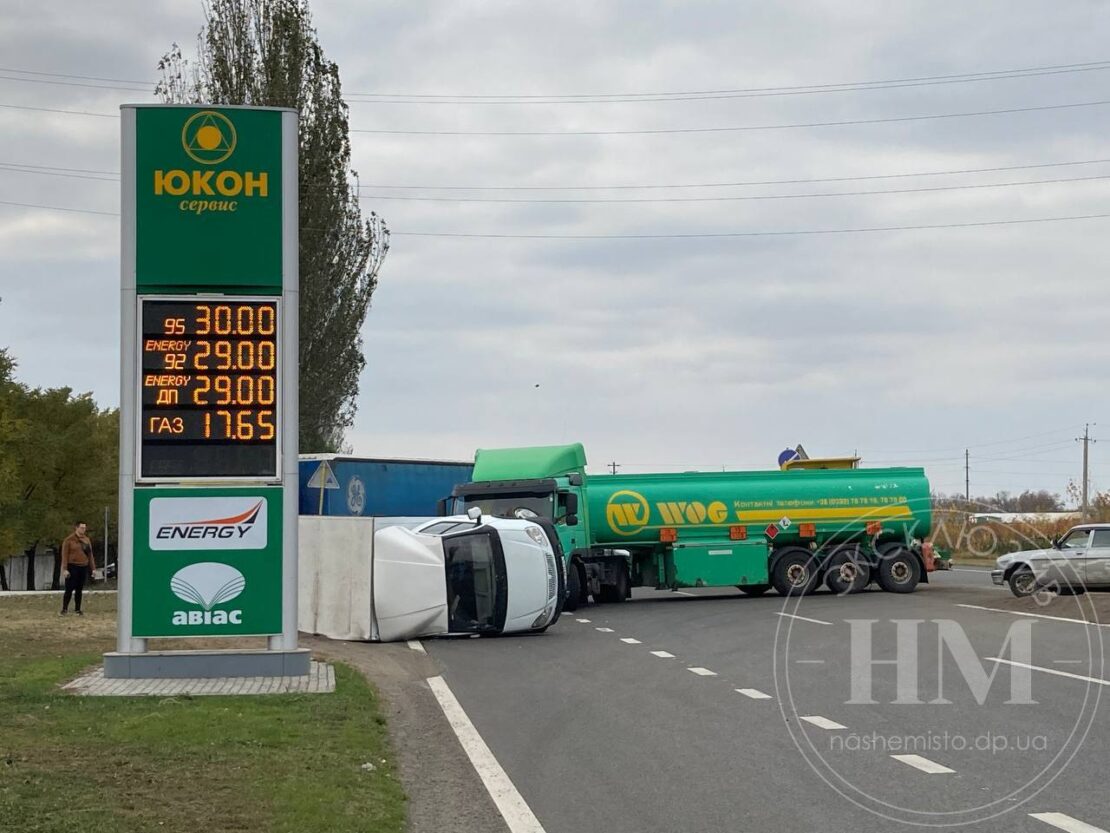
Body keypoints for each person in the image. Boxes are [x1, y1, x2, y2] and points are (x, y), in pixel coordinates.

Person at [60, 521, 96, 615]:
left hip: (83, 566)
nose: (83, 530)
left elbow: (90, 555)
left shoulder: (87, 540)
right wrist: (64, 569)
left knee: (79, 589)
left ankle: (77, 609)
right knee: (69, 589)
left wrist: (93, 568)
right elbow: (64, 555)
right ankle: (64, 609)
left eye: (84, 528)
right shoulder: (69, 540)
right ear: (76, 528)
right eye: (81, 528)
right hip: (72, 566)